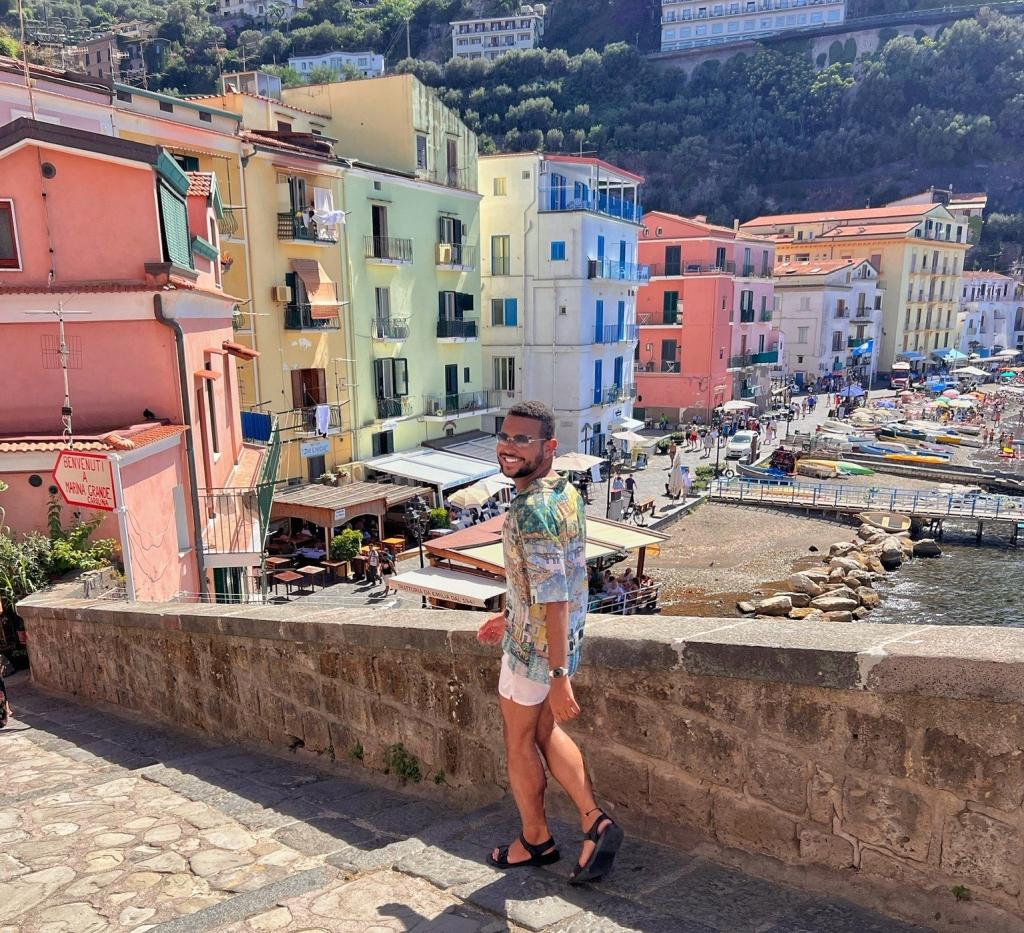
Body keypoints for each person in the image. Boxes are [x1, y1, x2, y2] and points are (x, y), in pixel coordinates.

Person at [476, 400, 623, 884]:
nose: (509, 447)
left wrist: (558, 677)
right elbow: (554, 577)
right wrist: (509, 613)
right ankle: (594, 821)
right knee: (544, 733)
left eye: (523, 439)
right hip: (560, 640)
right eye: (506, 437)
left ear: (549, 446)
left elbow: (555, 596)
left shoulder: (531, 510)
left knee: (519, 742)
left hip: (534, 654)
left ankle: (534, 840)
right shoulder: (564, 492)